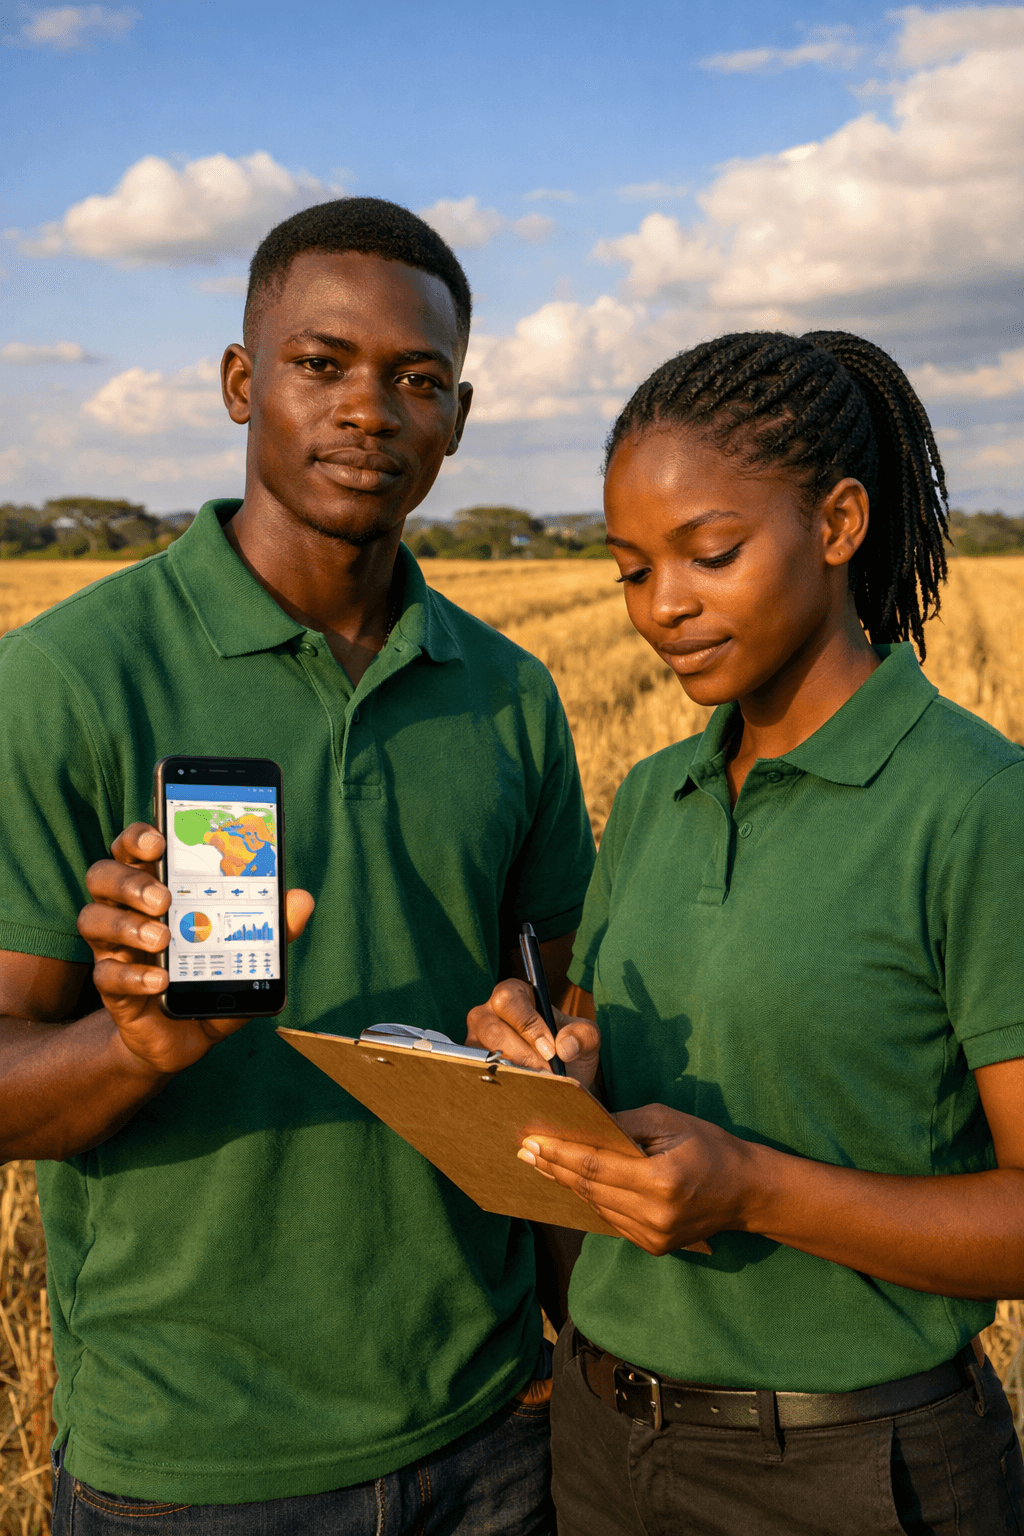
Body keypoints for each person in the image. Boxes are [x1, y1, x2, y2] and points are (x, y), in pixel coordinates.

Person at [0, 198, 595, 1532]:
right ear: (239, 382)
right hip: (194, 1469)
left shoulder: (509, 696)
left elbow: (566, 1030)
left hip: (491, 1431)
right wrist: (135, 1044)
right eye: (322, 364)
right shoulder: (67, 681)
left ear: (458, 417)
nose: (370, 410)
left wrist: (586, 1327)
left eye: (416, 380)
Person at [468, 331, 1024, 1535]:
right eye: (627, 570)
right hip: (602, 1443)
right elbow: (600, 1046)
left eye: (709, 554)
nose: (662, 608)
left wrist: (754, 1190)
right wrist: (549, 1069)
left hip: (844, 1472)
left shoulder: (979, 809)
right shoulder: (656, 801)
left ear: (837, 524)